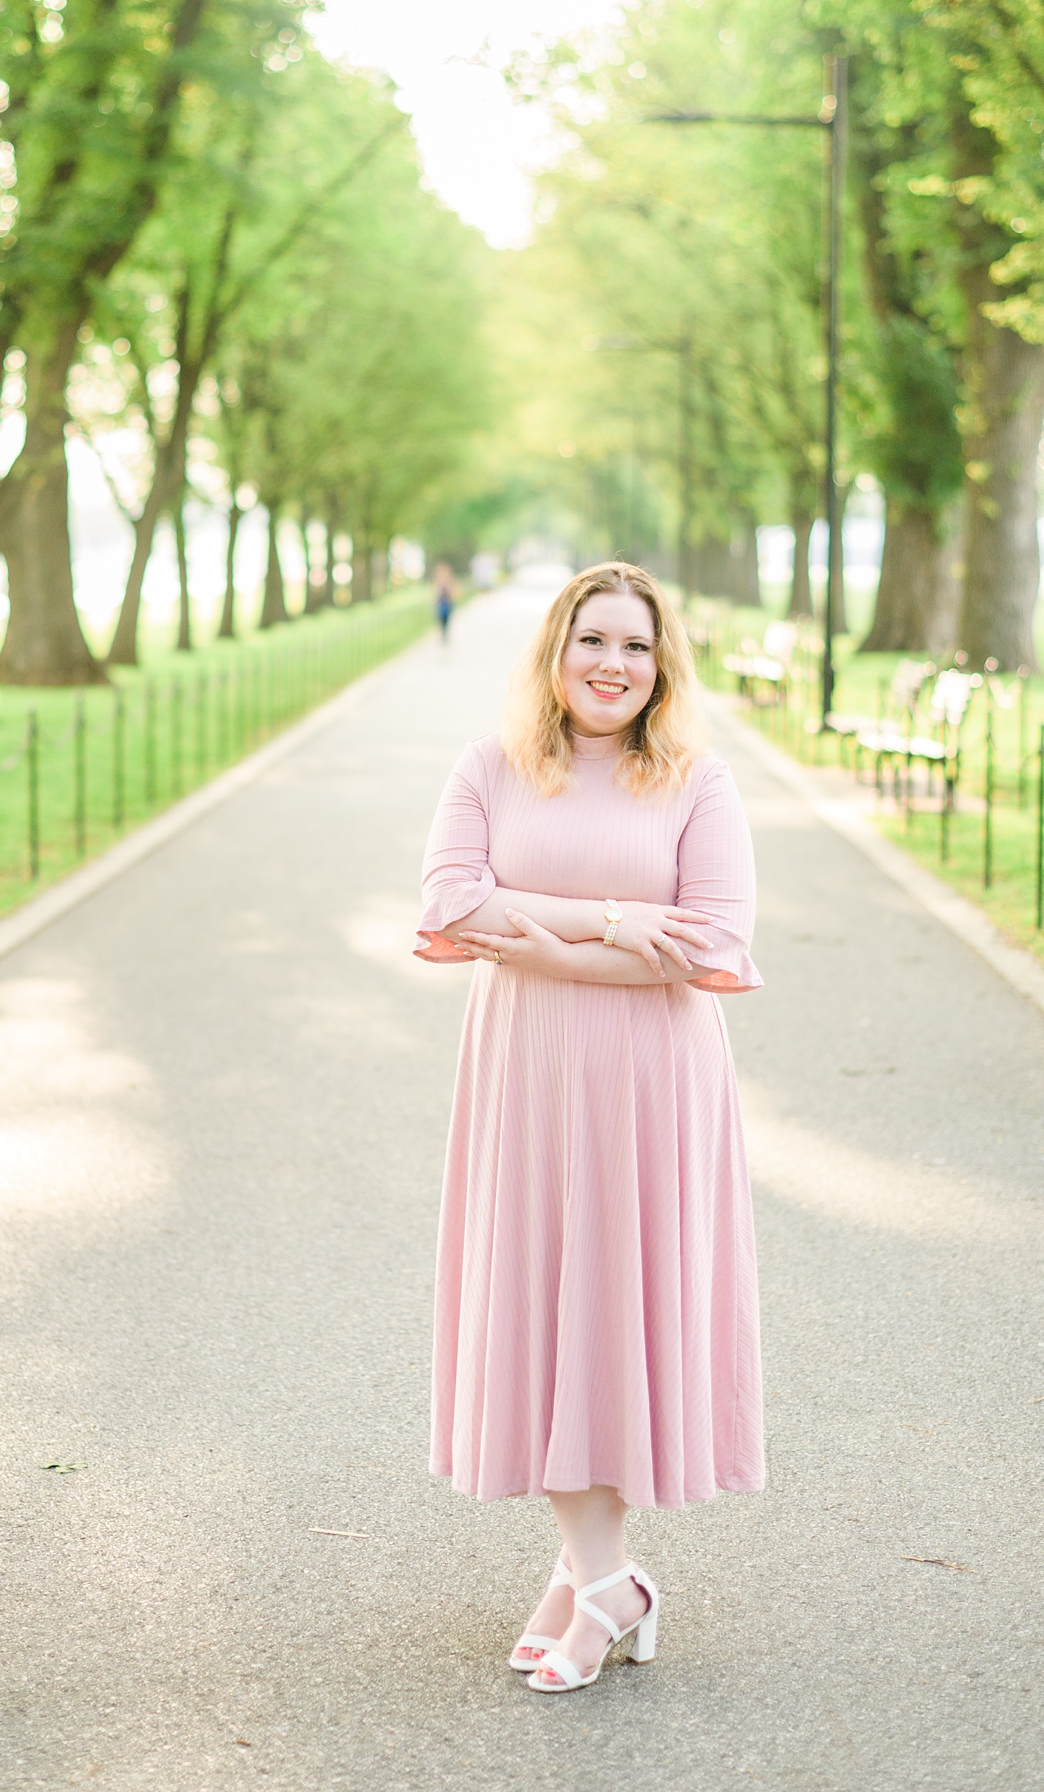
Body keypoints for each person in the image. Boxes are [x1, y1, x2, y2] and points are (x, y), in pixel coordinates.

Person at [412, 561, 763, 1695]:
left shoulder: (698, 784)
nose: (613, 665)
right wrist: (613, 921)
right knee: (548, 1302)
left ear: (664, 667)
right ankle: (594, 1579)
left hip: (651, 1083)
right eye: (592, 641)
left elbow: (711, 943)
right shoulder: (488, 768)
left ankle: (603, 1582)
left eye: (637, 646)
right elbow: (450, 904)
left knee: (613, 1304)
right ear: (555, 652)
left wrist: (534, 937)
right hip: (523, 1075)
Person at [432, 560, 459, 643]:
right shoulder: (437, 581)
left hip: (447, 603)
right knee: (441, 620)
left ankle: (445, 634)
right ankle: (443, 634)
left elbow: (455, 591)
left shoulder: (450, 580)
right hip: (440, 603)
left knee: (447, 620)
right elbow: (434, 592)